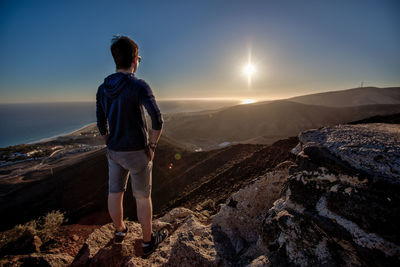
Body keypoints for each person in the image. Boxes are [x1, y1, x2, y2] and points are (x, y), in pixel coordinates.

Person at [96, 35, 167, 258]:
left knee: (114, 192)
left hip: (114, 151)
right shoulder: (139, 86)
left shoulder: (103, 87)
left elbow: (101, 121)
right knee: (142, 197)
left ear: (116, 59)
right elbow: (157, 120)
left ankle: (119, 231)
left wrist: (108, 139)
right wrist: (152, 146)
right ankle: (148, 242)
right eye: (139, 58)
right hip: (138, 152)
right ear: (135, 59)